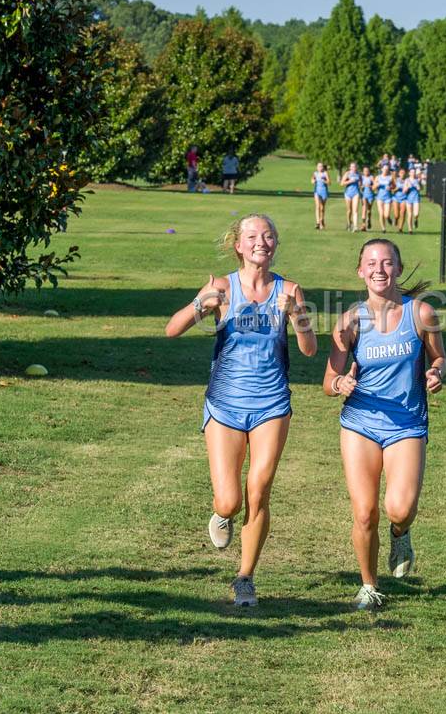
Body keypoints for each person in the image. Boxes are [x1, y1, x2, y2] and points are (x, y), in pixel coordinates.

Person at [164, 214, 317, 606]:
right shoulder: (221, 287)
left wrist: (296, 316)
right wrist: (202, 304)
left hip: (272, 403)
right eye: (252, 237)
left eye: (267, 236)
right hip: (225, 405)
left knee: (259, 489)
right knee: (229, 501)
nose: (260, 242)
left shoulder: (289, 289)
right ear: (238, 245)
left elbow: (310, 349)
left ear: (275, 243)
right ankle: (221, 513)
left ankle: (245, 577)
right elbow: (172, 329)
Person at [323, 238, 446, 610]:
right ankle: (368, 585)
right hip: (360, 422)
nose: (379, 269)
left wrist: (436, 372)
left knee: (399, 509)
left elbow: (440, 358)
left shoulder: (421, 314)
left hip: (406, 422)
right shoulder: (350, 321)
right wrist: (340, 383)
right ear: (360, 271)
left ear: (398, 268)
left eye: (387, 262)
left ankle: (401, 533)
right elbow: (328, 380)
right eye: (372, 263)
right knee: (364, 512)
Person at [341, 162, 361, 232]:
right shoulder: (347, 173)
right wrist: (350, 181)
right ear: (350, 167)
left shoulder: (358, 174)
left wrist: (360, 185)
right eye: (352, 167)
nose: (353, 168)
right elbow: (342, 183)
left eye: (355, 166)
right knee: (349, 210)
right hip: (348, 193)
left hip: (356, 193)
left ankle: (355, 226)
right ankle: (349, 223)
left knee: (355, 211)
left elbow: (360, 183)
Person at [312, 162, 331, 230]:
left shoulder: (325, 173)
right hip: (317, 191)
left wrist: (324, 181)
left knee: (322, 208)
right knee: (318, 206)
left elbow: (329, 183)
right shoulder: (315, 173)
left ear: (323, 167)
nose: (320, 168)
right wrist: (314, 181)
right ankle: (318, 222)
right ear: (317, 167)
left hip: (324, 192)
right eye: (318, 166)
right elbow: (312, 180)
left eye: (321, 166)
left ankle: (322, 220)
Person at [375, 166, 393, 232]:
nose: (385, 170)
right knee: (381, 214)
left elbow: (394, 186)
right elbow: (373, 187)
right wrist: (376, 185)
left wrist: (390, 187)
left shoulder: (390, 177)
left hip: (388, 197)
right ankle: (383, 228)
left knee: (386, 215)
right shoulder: (378, 177)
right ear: (382, 169)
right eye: (384, 169)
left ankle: (388, 218)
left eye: (387, 169)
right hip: (379, 197)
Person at [360, 165, 376, 232]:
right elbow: (359, 185)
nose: (366, 172)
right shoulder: (361, 177)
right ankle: (363, 225)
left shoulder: (371, 177)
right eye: (365, 171)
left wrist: (370, 186)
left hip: (371, 195)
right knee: (364, 208)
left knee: (369, 210)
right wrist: (362, 186)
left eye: (367, 171)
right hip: (364, 195)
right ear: (363, 172)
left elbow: (375, 185)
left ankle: (369, 219)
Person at [405, 169, 422, 233]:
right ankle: (410, 229)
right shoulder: (407, 180)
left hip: (416, 198)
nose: (413, 173)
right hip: (408, 199)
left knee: (416, 214)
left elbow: (421, 188)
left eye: (414, 172)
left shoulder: (417, 180)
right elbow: (404, 190)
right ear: (409, 173)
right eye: (412, 172)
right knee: (409, 214)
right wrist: (407, 187)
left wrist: (419, 187)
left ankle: (416, 220)